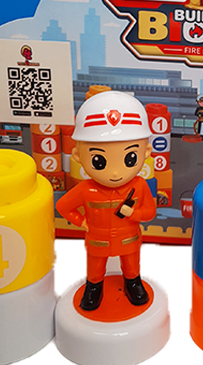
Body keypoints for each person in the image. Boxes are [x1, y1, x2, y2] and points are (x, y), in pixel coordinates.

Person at [56, 91, 156, 311]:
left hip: (129, 238)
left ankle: (133, 283)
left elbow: (150, 212)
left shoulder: (139, 185)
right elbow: (63, 206)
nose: (115, 173)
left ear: (146, 152)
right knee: (95, 267)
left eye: (129, 158)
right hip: (98, 240)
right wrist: (81, 221)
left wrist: (134, 214)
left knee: (131, 265)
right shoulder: (86, 189)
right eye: (99, 160)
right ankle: (94, 287)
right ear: (78, 156)